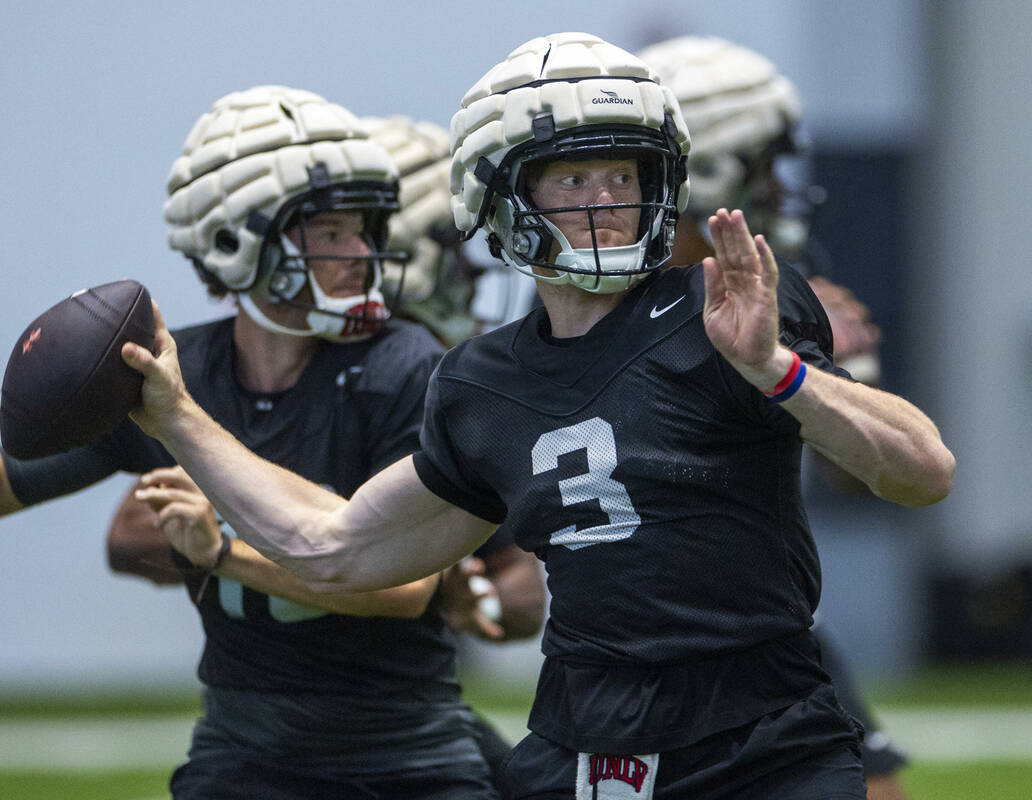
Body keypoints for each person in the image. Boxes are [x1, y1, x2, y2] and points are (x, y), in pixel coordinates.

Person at [122, 32, 954, 799]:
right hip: (589, 746)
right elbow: (335, 549)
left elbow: (922, 474)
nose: (606, 200)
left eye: (624, 175)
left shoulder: (723, 309)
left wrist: (778, 370)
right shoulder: (479, 383)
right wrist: (178, 417)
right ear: (501, 193)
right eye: (573, 177)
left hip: (767, 736)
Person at [0, 86, 498, 799]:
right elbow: (2, 477)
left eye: (366, 229)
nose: (362, 252)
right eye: (333, 231)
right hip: (242, 752)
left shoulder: (401, 366)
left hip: (405, 756)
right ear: (237, 238)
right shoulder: (169, 374)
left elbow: (404, 586)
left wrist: (223, 551)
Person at [636, 35, 909, 800]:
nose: (778, 185)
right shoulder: (590, 298)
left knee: (874, 787)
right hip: (630, 635)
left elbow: (866, 481)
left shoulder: (779, 285)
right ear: (715, 161)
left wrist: (839, 383)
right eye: (761, 161)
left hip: (763, 620)